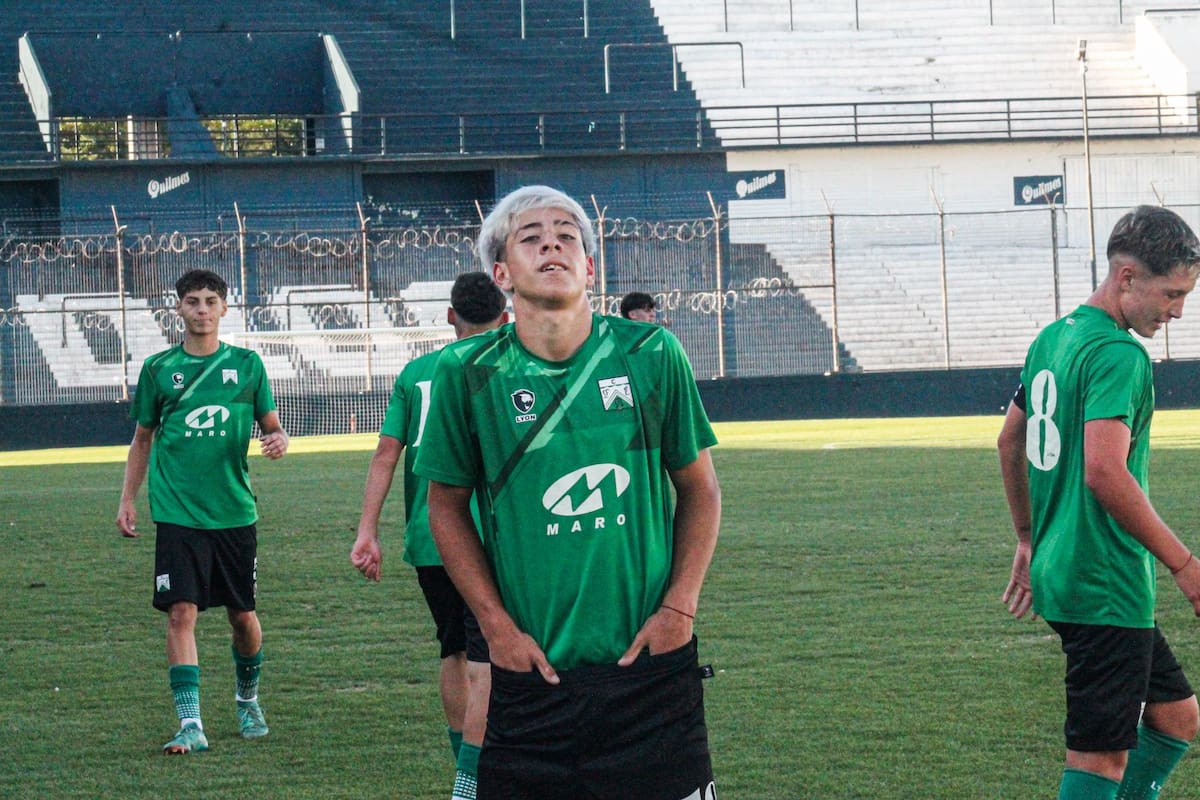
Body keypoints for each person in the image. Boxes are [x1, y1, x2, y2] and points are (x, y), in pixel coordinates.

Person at [415, 185, 722, 800]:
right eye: (530, 237)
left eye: (566, 235)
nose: (551, 241)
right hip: (531, 679)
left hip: (650, 668)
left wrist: (679, 607)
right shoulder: (466, 374)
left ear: (588, 265)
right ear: (501, 272)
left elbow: (700, 488)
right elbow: (444, 508)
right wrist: (496, 628)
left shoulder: (651, 353)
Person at [999, 205, 1200, 800]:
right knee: (1100, 760)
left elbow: (1009, 439)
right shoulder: (1119, 354)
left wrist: (1029, 536)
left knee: (1177, 718)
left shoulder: (1054, 338)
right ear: (1128, 277)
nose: (1178, 311)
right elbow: (1105, 473)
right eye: (1172, 293)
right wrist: (1185, 565)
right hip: (1104, 581)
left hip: (1066, 572)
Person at [116, 268, 289, 754]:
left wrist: (277, 439)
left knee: (243, 618)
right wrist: (128, 499)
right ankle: (191, 723)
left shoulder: (248, 366)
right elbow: (142, 439)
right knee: (180, 612)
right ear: (178, 308)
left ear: (225, 308)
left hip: (234, 511)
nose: (202, 310)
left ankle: (247, 698)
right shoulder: (158, 369)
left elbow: (272, 425)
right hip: (177, 512)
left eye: (211, 301)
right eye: (192, 301)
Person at [350, 271, 507, 800]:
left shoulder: (418, 372)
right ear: (505, 317)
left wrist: (367, 532)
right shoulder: (514, 367)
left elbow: (385, 454)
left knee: (454, 650)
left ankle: (463, 770)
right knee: (490, 657)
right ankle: (470, 780)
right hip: (498, 540)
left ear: (449, 316)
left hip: (430, 538)